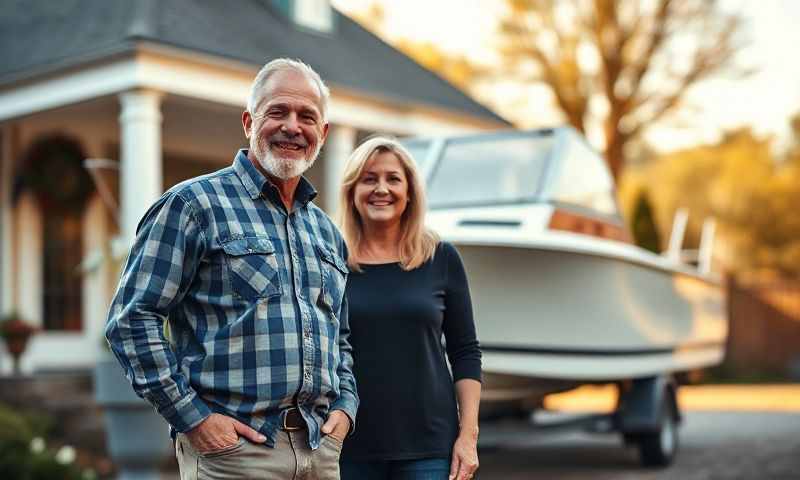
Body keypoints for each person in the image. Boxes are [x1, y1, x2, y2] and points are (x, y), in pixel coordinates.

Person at [105, 58, 357, 479]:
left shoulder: (326, 232)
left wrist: (345, 407)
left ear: (323, 133)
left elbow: (341, 336)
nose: (293, 126)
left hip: (319, 452)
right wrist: (194, 419)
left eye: (307, 116)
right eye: (277, 111)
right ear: (248, 122)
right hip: (235, 455)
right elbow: (132, 320)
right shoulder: (192, 205)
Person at [336, 137, 482, 480]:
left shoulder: (441, 257)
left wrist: (468, 435)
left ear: (410, 191)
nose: (381, 189)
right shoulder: (332, 261)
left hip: (430, 448)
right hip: (348, 443)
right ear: (352, 191)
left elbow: (466, 352)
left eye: (393, 179)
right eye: (369, 179)